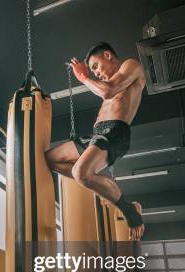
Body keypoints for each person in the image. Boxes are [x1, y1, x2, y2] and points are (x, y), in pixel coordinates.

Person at [45, 42, 146, 241]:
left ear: (108, 55)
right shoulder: (111, 82)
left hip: (115, 132)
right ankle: (104, 183)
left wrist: (83, 76)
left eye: (96, 66)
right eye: (93, 70)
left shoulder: (131, 66)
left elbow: (108, 91)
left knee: (80, 173)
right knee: (50, 159)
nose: (96, 73)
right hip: (96, 135)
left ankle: (130, 211)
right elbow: (105, 91)